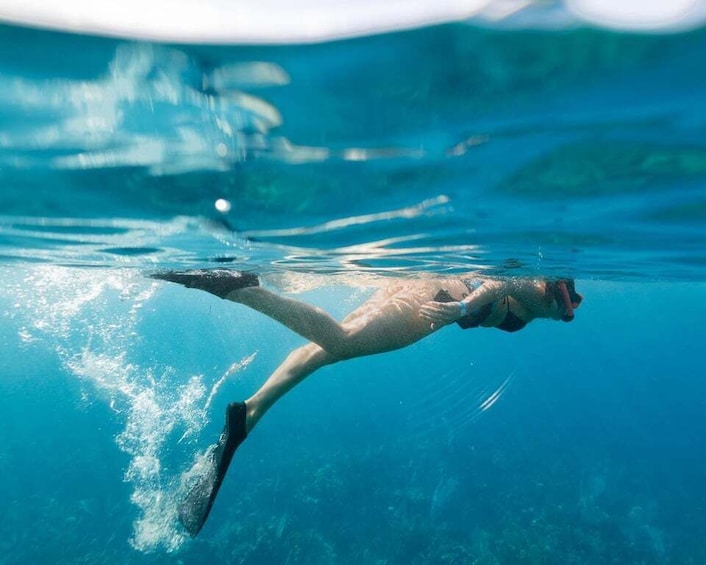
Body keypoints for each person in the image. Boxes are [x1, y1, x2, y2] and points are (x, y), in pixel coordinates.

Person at [150, 270, 582, 535]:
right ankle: (240, 290)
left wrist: (470, 304)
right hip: (439, 301)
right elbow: (505, 283)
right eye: (564, 298)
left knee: (327, 351)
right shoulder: (541, 288)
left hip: (427, 288)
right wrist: (466, 305)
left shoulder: (548, 295)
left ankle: (249, 412)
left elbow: (507, 286)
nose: (567, 305)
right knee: (343, 340)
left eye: (568, 301)